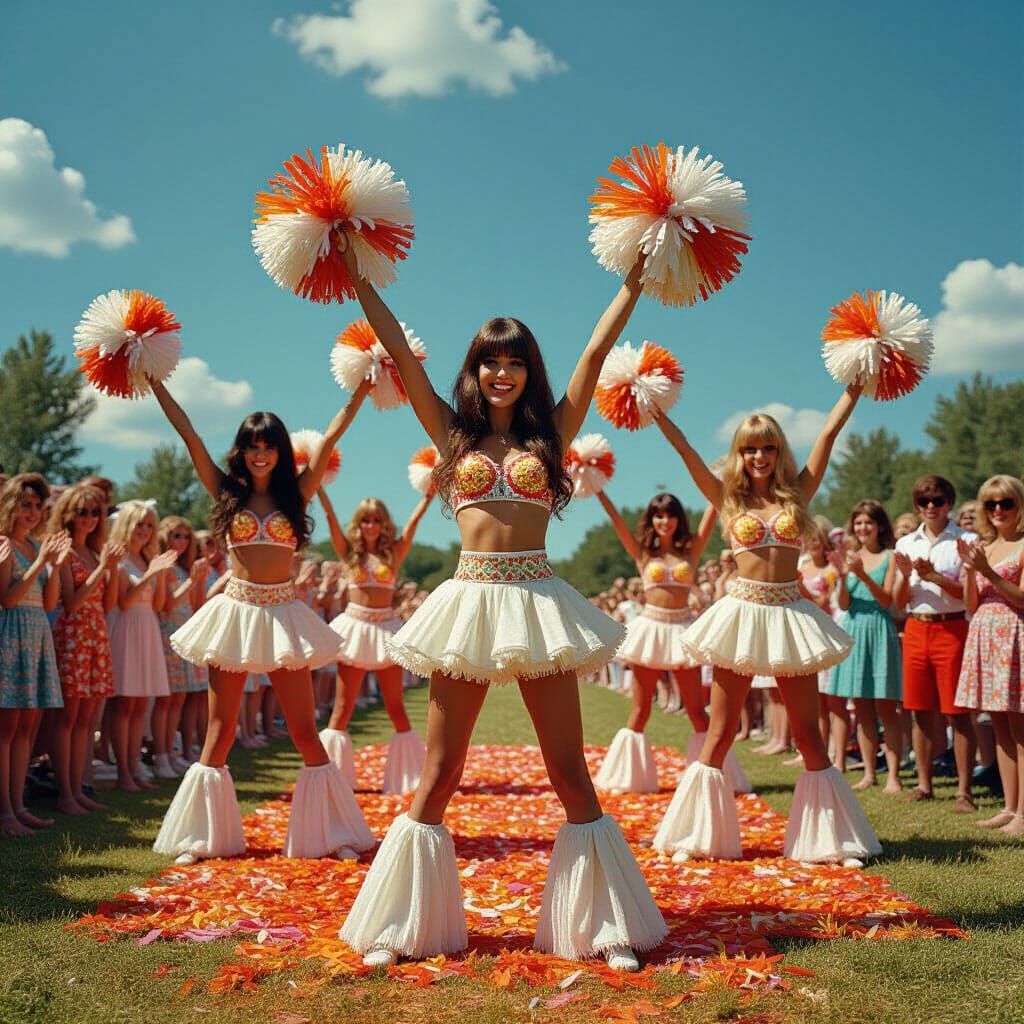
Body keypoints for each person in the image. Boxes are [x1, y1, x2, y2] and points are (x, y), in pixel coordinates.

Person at [336, 234, 664, 972]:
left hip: (539, 601)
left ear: (528, 371)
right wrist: (359, 278)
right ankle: (396, 927)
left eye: (515, 361)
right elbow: (395, 343)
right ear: (474, 369)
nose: (503, 372)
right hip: (471, 603)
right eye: (490, 360)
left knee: (570, 773)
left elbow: (594, 348)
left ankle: (605, 926)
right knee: (441, 772)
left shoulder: (553, 433)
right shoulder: (450, 434)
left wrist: (634, 280)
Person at [649, 393, 881, 866]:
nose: (760, 457)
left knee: (808, 733)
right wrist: (658, 414)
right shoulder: (727, 498)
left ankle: (831, 843)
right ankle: (694, 837)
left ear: (779, 453)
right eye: (751, 449)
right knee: (721, 729)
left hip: (790, 616)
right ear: (740, 454)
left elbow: (828, 434)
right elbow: (687, 451)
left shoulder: (798, 493)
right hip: (741, 616)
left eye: (768, 448)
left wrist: (853, 389)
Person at [150, 378, 374, 865]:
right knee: (220, 728)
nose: (259, 455)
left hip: (282, 614)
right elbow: (189, 435)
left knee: (303, 731)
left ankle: (334, 834)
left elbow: (332, 437)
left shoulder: (297, 495)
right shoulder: (225, 491)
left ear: (280, 451)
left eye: (268, 447)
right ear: (242, 450)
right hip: (234, 613)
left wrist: (359, 393)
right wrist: (156, 384)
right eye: (252, 447)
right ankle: (200, 839)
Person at [593, 491, 748, 794]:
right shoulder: (643, 553)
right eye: (659, 515)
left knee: (695, 711)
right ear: (652, 519)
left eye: (670, 515)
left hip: (681, 629)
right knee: (640, 711)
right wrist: (599, 490)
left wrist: (720, 484)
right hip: (650, 630)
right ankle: (627, 779)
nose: (665, 521)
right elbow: (617, 522)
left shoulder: (691, 550)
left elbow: (711, 513)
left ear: (678, 519)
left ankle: (713, 777)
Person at [318, 491, 433, 794]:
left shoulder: (393, 553)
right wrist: (318, 488)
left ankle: (410, 780)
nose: (370, 526)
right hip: (354, 629)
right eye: (365, 520)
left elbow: (413, 523)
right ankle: (331, 780)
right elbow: (330, 520)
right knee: (342, 707)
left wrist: (428, 496)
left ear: (384, 525)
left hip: (385, 630)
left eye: (376, 521)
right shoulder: (348, 552)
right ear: (358, 524)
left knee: (396, 707)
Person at [894, 474, 977, 811]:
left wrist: (933, 577)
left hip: (952, 628)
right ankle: (925, 784)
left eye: (938, 501)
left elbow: (970, 597)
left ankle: (964, 791)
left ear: (949, 504)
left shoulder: (965, 540)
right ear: (916, 505)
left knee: (958, 713)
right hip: (916, 627)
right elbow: (899, 602)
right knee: (919, 710)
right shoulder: (906, 544)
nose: (931, 507)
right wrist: (904, 576)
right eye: (924, 501)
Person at [954, 476, 1024, 834]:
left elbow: (1022, 597)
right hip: (984, 633)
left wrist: (986, 571)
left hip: (1014, 634)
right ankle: (1010, 807)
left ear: (1019, 506)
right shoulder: (986, 547)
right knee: (999, 727)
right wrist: (970, 571)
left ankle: (1023, 813)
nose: (998, 510)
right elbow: (969, 604)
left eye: (1006, 503)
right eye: (991, 504)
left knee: (1020, 727)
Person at [48, 483, 123, 813]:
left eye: (96, 512)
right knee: (68, 719)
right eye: (83, 512)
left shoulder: (95, 552)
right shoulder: (66, 552)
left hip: (96, 636)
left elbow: (107, 604)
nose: (90, 518)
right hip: (73, 636)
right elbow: (72, 604)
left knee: (86, 721)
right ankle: (65, 792)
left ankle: (79, 788)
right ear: (68, 514)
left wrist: (113, 569)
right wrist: (101, 570)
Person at [0, 475, 67, 835]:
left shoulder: (34, 546)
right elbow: (7, 598)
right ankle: (5, 811)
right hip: (10, 636)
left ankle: (18, 805)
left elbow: (52, 601)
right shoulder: (4, 544)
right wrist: (42, 561)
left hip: (37, 633)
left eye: (37, 506)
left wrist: (52, 565)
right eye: (25, 504)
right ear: (11, 503)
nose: (32, 512)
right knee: (7, 728)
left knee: (27, 726)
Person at [828, 500, 903, 793]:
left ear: (879, 526)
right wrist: (845, 577)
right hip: (854, 628)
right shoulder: (849, 557)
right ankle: (870, 773)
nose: (862, 528)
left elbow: (887, 601)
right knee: (860, 706)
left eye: (868, 523)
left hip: (880, 629)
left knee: (886, 707)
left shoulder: (890, 556)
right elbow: (844, 604)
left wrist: (860, 574)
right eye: (858, 523)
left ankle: (894, 776)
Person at [107, 501, 177, 792]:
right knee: (124, 704)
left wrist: (158, 574)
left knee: (140, 707)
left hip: (147, 627)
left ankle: (134, 767)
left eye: (149, 525)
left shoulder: (148, 559)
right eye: (139, 524)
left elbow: (160, 605)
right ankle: (122, 771)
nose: (145, 531)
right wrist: (151, 574)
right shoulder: (120, 559)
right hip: (125, 628)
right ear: (126, 524)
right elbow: (123, 602)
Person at [155, 516, 209, 777]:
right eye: (176, 535)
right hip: (168, 633)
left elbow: (196, 606)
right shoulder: (164, 566)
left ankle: (177, 752)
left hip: (184, 632)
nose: (182, 542)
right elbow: (167, 605)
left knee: (180, 698)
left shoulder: (184, 569)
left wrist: (198, 579)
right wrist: (192, 581)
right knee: (166, 700)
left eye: (186, 537)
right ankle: (161, 755)